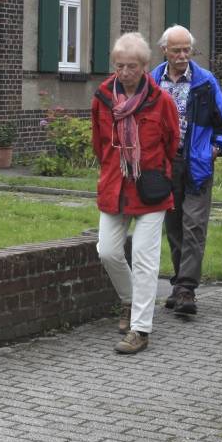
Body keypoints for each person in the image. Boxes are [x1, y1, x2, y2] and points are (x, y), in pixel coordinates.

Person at [91, 32, 181, 355]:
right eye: (119, 66)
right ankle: (129, 300)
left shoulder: (161, 101)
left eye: (131, 66)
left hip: (151, 187)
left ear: (145, 66)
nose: (124, 72)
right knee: (108, 251)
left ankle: (140, 329)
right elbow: (99, 142)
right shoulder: (103, 96)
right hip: (115, 184)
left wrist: (152, 169)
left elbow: (172, 143)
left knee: (144, 257)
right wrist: (115, 167)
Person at [151, 25, 222, 316]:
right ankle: (179, 284)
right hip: (165, 164)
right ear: (164, 49)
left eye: (187, 49)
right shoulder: (153, 81)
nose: (182, 55)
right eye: (176, 50)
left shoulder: (205, 82)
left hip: (197, 164)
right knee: (174, 228)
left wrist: (217, 148)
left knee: (194, 225)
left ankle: (186, 289)